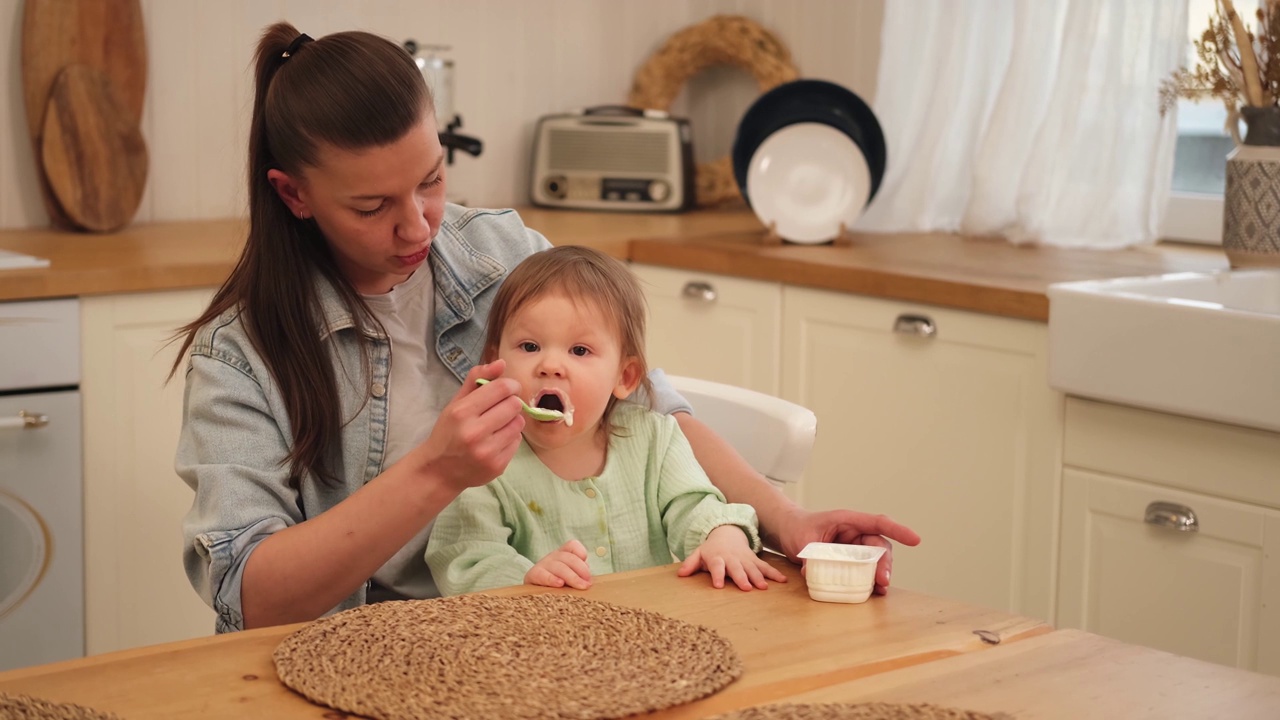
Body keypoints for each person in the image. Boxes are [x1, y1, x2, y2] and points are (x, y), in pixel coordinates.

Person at [171, 21, 920, 634]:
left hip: (538, 631)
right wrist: (435, 471)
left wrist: (786, 521)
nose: (417, 225)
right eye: (371, 207)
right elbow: (249, 592)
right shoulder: (241, 355)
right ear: (294, 195)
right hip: (364, 648)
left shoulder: (500, 255)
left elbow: (648, 416)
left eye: (432, 179)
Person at [425, 247, 787, 595]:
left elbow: (694, 507)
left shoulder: (654, 440)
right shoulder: (481, 460)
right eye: (530, 346)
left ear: (625, 377)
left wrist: (722, 535)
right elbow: (465, 557)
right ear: (495, 362)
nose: (550, 365)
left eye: (579, 351)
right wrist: (524, 578)